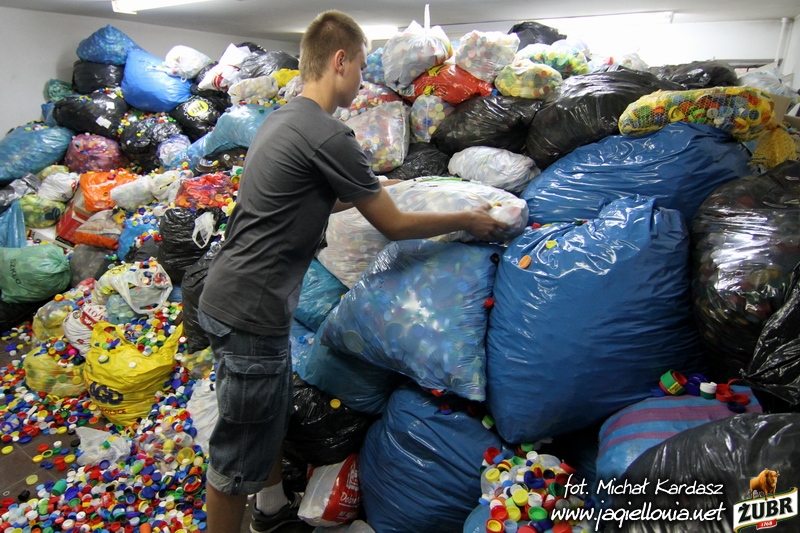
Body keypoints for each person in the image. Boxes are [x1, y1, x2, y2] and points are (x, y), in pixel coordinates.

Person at [198, 10, 509, 533]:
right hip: (251, 310)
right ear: (339, 61)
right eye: (362, 66)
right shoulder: (327, 134)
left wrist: (387, 188)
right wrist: (466, 218)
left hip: (233, 297)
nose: (364, 78)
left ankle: (270, 511)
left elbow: (322, 196)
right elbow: (395, 225)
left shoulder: (283, 119)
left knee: (268, 413)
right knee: (236, 456)